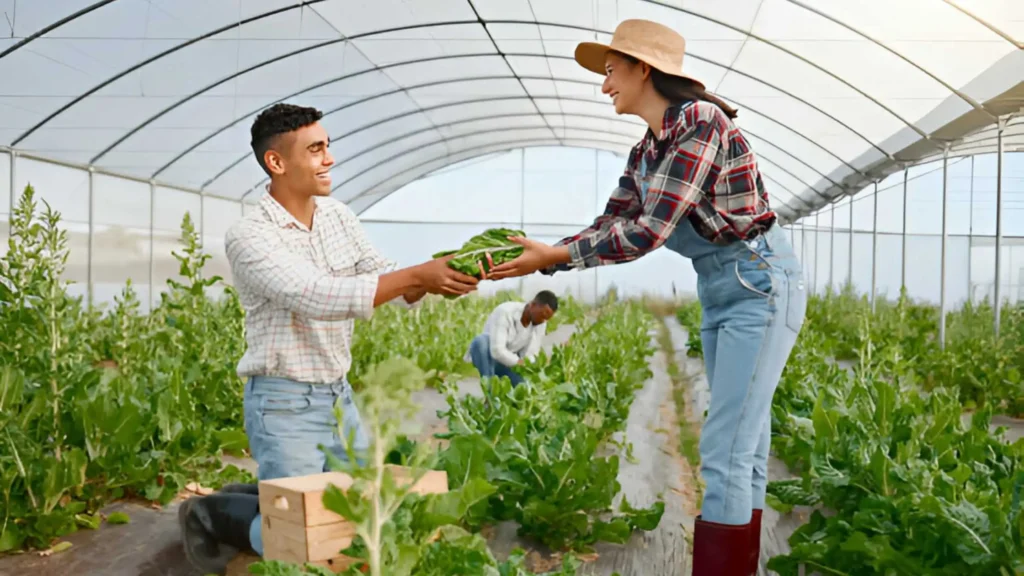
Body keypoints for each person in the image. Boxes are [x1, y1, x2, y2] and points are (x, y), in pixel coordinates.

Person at [484, 19, 807, 576]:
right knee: (745, 446)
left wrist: (554, 257)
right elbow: (613, 220)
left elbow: (649, 230)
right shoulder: (646, 151)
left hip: (758, 284)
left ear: (644, 69)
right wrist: (548, 252)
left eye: (611, 71)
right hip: (721, 286)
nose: (605, 84)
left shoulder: (701, 122)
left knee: (726, 448)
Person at [178, 103, 483, 574]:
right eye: (316, 149)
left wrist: (447, 273)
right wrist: (418, 275)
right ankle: (211, 515)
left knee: (358, 520)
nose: (330, 159)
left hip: (338, 398)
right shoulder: (250, 235)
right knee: (300, 542)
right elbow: (316, 295)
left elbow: (382, 276)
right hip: (283, 402)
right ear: (276, 163)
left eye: (328, 146)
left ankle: (255, 495)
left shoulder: (338, 217)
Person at [466, 291, 558, 386]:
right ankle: (490, 392)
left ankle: (502, 393)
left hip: (510, 363)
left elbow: (531, 354)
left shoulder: (540, 323)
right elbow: (497, 351)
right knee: (481, 341)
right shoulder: (505, 312)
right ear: (532, 305)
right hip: (489, 358)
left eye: (546, 318)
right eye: (542, 315)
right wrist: (519, 362)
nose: (543, 320)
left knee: (525, 388)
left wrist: (530, 366)